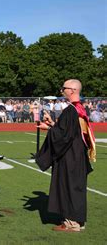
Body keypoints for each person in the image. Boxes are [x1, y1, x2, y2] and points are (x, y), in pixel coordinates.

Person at [36, 79, 95, 232]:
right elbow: (70, 132)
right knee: (76, 187)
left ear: (73, 90)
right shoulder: (80, 109)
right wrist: (53, 125)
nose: (62, 91)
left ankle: (71, 223)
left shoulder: (71, 110)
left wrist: (47, 129)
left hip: (69, 156)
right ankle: (78, 221)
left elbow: (63, 137)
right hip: (77, 155)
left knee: (69, 187)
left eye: (64, 88)